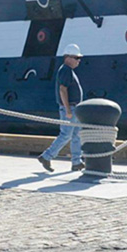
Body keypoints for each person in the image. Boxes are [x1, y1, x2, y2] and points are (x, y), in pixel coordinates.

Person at [37, 44, 85, 173]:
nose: (78, 60)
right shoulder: (65, 70)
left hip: (75, 108)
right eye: (76, 57)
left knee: (76, 135)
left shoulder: (68, 70)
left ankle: (76, 162)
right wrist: (68, 110)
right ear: (68, 57)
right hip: (70, 109)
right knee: (66, 134)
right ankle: (47, 156)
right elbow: (62, 90)